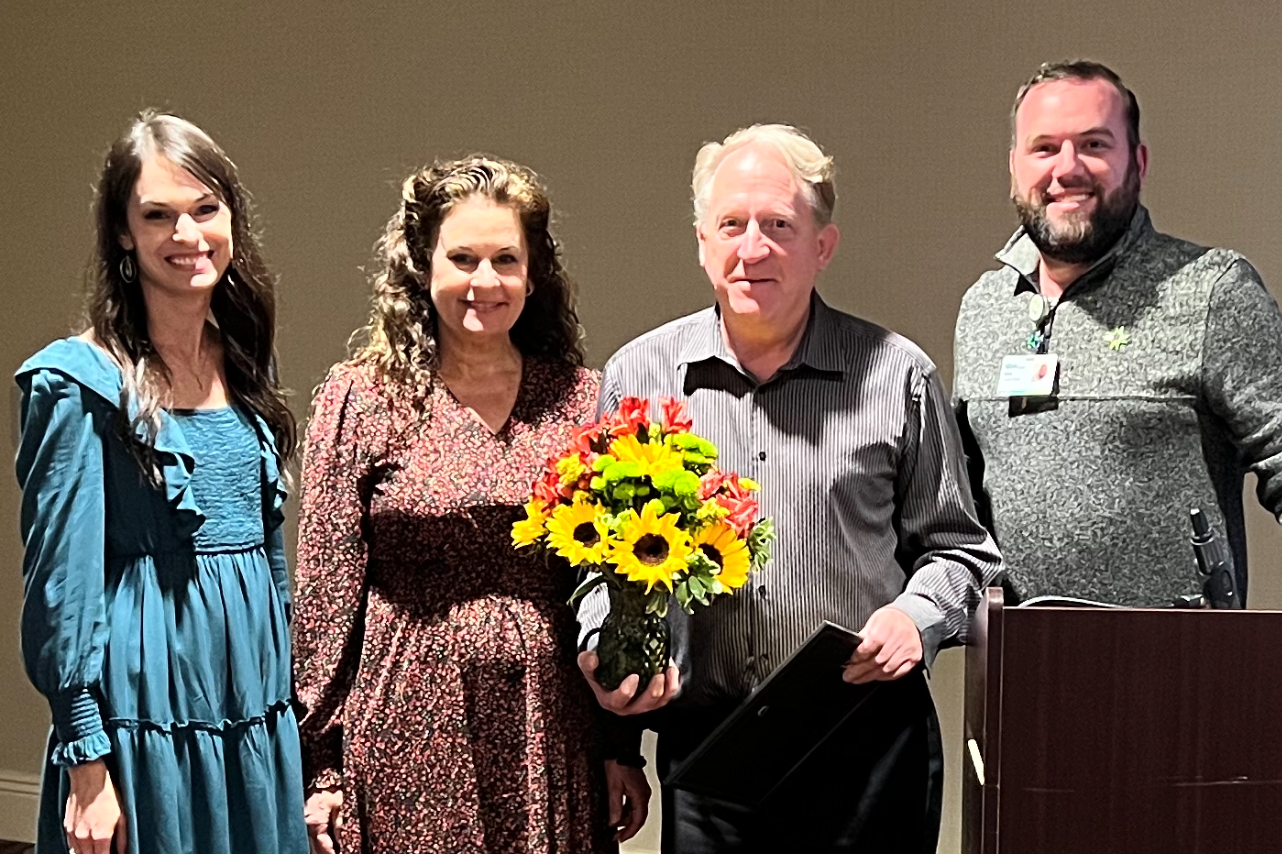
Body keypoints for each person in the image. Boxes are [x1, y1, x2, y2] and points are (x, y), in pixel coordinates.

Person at [577, 124, 1004, 853]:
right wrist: (603, 655)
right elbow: (598, 559)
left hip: (867, 740)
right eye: (732, 225)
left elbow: (963, 553)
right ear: (702, 241)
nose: (753, 249)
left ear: (822, 246)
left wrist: (915, 616)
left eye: (779, 225)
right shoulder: (637, 378)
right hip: (710, 749)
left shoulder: (897, 374)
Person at [293, 156, 638, 854]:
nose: (486, 282)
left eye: (505, 259)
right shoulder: (362, 400)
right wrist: (319, 764)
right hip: (408, 716)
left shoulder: (581, 399)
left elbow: (611, 584)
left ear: (533, 273)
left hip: (551, 718)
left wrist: (618, 745)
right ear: (423, 268)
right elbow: (326, 589)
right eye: (463, 258)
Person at [14, 112, 308, 854]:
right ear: (123, 233)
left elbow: (268, 551)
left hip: (253, 698)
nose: (188, 234)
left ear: (232, 216)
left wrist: (292, 695)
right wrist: (86, 760)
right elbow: (62, 586)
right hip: (146, 708)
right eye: (158, 215)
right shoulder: (77, 382)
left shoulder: (244, 363)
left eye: (205, 209)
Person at [953, 60, 1282, 606]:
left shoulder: (1211, 289)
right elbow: (953, 508)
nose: (1067, 168)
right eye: (1044, 148)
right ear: (1014, 167)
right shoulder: (984, 308)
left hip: (1182, 669)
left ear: (1139, 162)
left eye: (1094, 145)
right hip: (1019, 671)